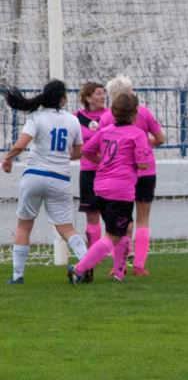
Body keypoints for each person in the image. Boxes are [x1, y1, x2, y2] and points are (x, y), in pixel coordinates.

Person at [3, 80, 88, 284]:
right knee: (66, 229)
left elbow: (21, 144)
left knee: (24, 226)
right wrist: (60, 156)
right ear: (62, 99)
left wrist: (7, 158)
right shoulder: (73, 120)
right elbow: (78, 152)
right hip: (60, 178)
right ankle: (86, 265)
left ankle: (17, 276)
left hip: (34, 176)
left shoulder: (36, 117)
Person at [68, 94, 152, 284]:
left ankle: (118, 273)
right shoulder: (137, 134)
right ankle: (79, 269)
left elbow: (86, 150)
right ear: (135, 113)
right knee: (113, 235)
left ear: (113, 112)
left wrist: (102, 161)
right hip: (121, 190)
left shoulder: (105, 131)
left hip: (101, 186)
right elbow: (143, 164)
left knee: (123, 228)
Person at [100, 76, 165, 276]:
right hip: (146, 170)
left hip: (121, 175)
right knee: (143, 219)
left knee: (122, 222)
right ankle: (139, 265)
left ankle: (118, 266)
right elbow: (160, 138)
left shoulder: (106, 117)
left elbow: (103, 146)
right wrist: (142, 144)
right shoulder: (143, 112)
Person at [75, 81, 107, 281]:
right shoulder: (76, 118)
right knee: (92, 216)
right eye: (98, 93)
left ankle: (123, 260)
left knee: (113, 216)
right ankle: (93, 259)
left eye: (104, 93)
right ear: (88, 98)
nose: (103, 97)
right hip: (88, 172)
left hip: (109, 172)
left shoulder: (110, 116)